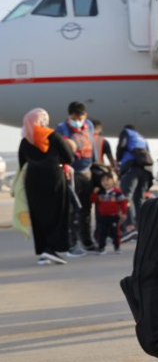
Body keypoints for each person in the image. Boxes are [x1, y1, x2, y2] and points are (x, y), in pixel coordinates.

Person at [19, 108, 74, 265]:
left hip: (33, 181)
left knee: (39, 216)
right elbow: (69, 157)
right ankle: (52, 249)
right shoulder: (54, 136)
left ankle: (44, 250)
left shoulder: (25, 140)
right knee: (57, 213)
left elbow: (22, 162)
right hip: (54, 178)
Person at [55, 101, 98, 256]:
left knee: (86, 209)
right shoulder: (61, 129)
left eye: (81, 117)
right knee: (72, 210)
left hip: (87, 172)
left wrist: (96, 164)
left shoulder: (89, 126)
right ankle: (72, 243)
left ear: (85, 116)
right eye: (75, 117)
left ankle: (87, 241)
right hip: (71, 173)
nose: (78, 120)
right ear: (69, 116)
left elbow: (93, 146)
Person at [117, 124, 153, 241]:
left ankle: (130, 228)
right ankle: (142, 228)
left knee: (127, 197)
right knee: (140, 199)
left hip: (131, 168)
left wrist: (118, 161)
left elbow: (121, 147)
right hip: (145, 170)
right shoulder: (142, 138)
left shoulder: (126, 132)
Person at [90, 172, 127, 254]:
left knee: (115, 233)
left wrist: (124, 213)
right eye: (103, 181)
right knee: (101, 232)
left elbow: (123, 203)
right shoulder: (100, 192)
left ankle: (117, 247)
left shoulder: (117, 192)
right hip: (102, 216)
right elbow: (93, 200)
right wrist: (94, 193)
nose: (105, 182)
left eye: (107, 180)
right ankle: (101, 247)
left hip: (114, 216)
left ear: (113, 181)